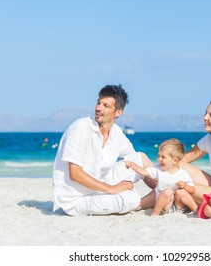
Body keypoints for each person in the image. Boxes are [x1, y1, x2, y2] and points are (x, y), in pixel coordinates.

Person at [52, 84, 154, 216]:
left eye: (105, 106)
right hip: (76, 199)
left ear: (118, 112)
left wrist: (161, 180)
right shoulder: (80, 128)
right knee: (131, 197)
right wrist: (112, 189)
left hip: (99, 185)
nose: (98, 108)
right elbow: (75, 173)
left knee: (141, 158)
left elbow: (133, 158)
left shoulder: (116, 132)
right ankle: (148, 201)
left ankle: (165, 191)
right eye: (98, 103)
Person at [125, 138, 198, 216]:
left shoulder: (183, 173)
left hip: (179, 206)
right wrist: (134, 166)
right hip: (165, 205)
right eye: (158, 156)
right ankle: (155, 213)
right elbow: (144, 172)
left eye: (163, 157)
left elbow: (192, 190)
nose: (159, 159)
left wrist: (185, 186)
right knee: (167, 191)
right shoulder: (158, 169)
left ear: (175, 161)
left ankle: (197, 210)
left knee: (182, 192)